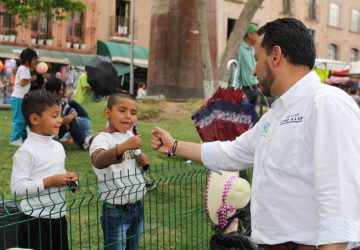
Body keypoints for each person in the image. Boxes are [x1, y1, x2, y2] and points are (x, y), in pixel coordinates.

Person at [151, 18, 360, 250]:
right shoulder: (274, 115)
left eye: (256, 59)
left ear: (275, 56)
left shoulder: (325, 103)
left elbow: (339, 199)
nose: (253, 70)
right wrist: (173, 146)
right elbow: (232, 152)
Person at [11, 90, 78, 250]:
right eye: (54, 116)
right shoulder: (26, 151)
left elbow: (57, 172)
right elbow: (17, 188)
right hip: (34, 221)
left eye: (60, 115)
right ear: (35, 119)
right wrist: (49, 182)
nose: (60, 120)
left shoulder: (58, 146)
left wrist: (69, 180)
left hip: (59, 218)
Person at [89, 91, 149, 250]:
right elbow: (98, 160)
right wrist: (123, 147)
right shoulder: (102, 139)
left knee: (133, 246)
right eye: (122, 111)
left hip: (137, 206)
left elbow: (132, 162)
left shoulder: (129, 134)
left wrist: (141, 161)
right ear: (108, 113)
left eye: (133, 112)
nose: (128, 116)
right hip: (116, 212)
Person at [45, 78, 91, 150]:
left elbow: (74, 112)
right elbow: (49, 122)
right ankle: (84, 143)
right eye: (61, 90)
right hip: (45, 133)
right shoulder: (44, 103)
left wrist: (69, 117)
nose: (62, 92)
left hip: (57, 129)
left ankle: (84, 143)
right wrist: (64, 120)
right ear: (54, 91)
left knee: (70, 121)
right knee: (68, 122)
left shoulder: (60, 102)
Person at [10, 48, 38, 146]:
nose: (35, 62)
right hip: (18, 98)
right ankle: (15, 139)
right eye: (34, 59)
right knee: (19, 120)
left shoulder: (23, 68)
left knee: (24, 119)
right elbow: (22, 83)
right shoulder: (24, 68)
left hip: (20, 98)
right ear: (28, 60)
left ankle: (23, 137)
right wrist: (32, 79)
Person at [235, 23, 259, 105]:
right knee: (244, 117)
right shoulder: (240, 49)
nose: (259, 36)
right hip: (245, 92)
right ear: (250, 35)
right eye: (257, 33)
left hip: (255, 90)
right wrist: (236, 91)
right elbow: (236, 71)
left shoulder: (254, 49)